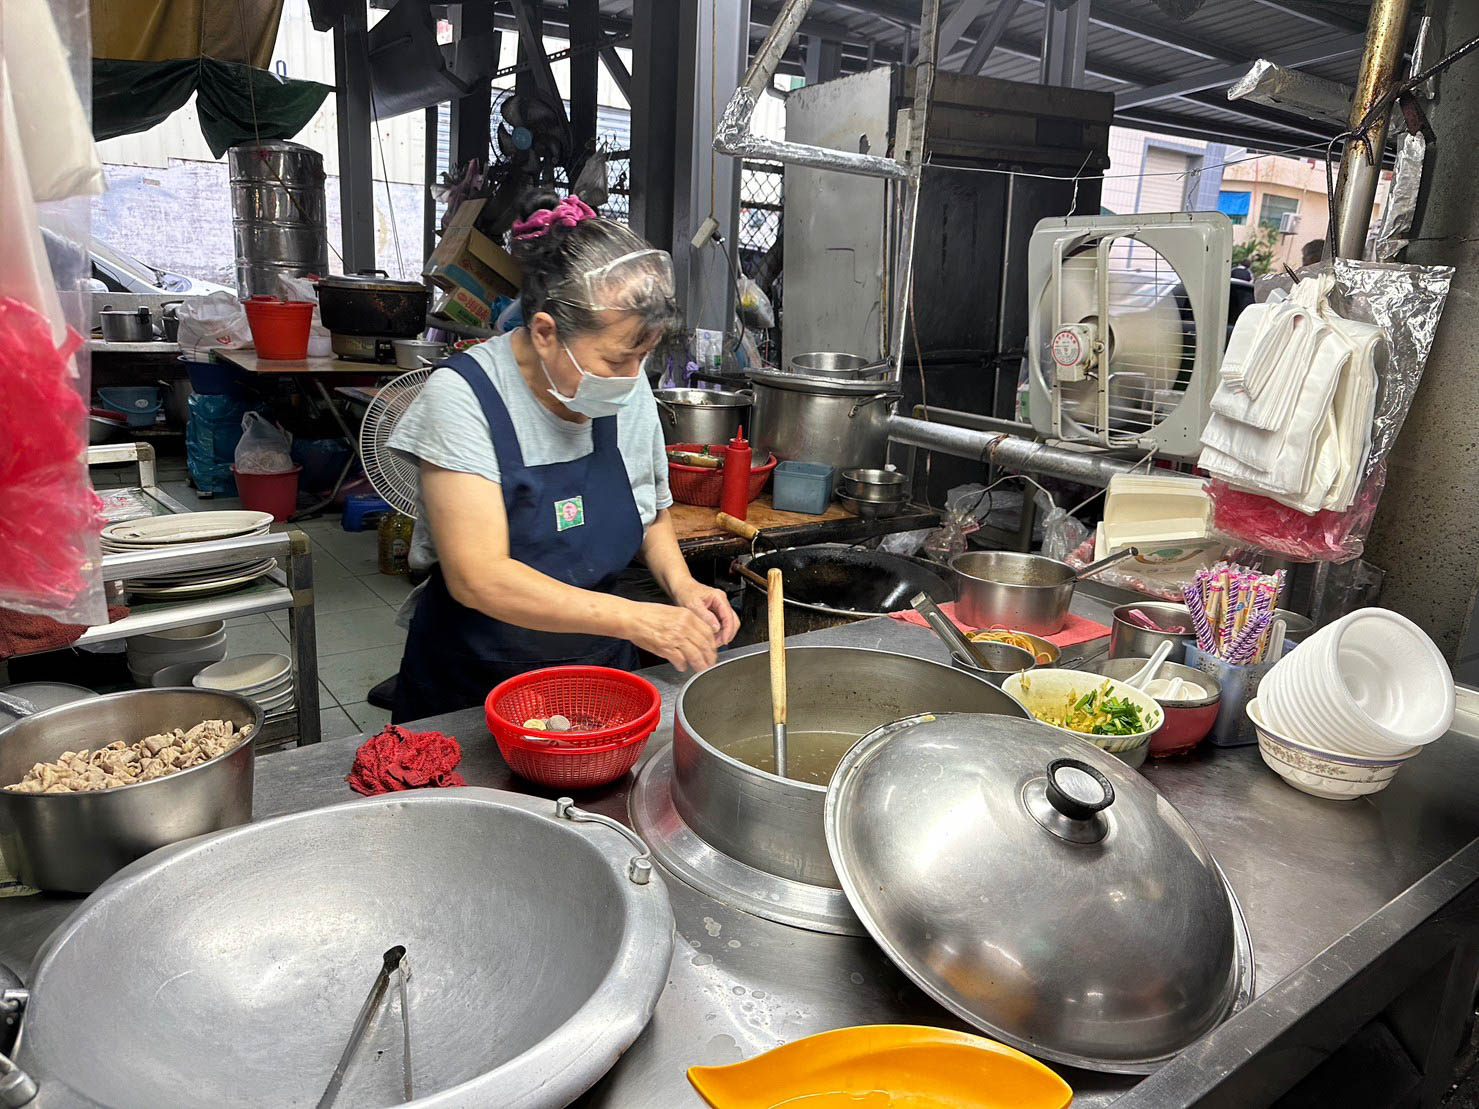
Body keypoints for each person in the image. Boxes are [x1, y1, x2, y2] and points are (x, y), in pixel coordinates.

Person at [386, 191, 739, 722]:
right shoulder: (463, 398)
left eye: (642, 358)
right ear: (546, 332)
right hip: (473, 686)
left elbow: (650, 510)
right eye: (620, 358)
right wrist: (639, 620)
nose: (632, 378)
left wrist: (682, 586)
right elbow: (477, 576)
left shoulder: (622, 387)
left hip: (598, 673)